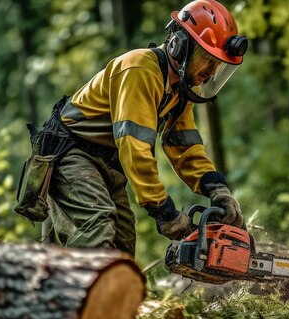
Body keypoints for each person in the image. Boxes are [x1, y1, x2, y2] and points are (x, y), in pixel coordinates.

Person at [45, 0, 249, 256]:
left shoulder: (179, 91)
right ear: (179, 45)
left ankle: (91, 289)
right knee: (96, 227)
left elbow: (185, 148)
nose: (210, 72)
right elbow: (134, 147)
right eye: (206, 60)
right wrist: (163, 209)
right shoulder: (140, 69)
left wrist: (217, 189)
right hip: (72, 154)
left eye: (217, 65)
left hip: (107, 164)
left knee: (123, 244)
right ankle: (79, 292)